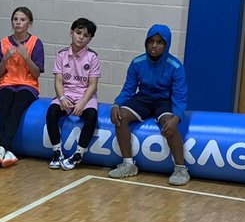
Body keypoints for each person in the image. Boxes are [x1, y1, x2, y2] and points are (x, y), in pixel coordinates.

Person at [109, 24, 190, 185]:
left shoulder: (175, 67)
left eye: (160, 42)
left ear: (166, 45)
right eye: (151, 41)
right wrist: (116, 104)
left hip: (164, 100)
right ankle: (128, 164)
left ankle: (181, 169)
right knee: (121, 116)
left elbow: (180, 98)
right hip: (144, 98)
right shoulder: (137, 63)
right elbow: (128, 89)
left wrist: (176, 118)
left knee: (169, 123)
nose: (154, 46)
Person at [0, 6, 45, 167]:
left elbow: (36, 73)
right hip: (7, 83)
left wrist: (26, 58)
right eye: (15, 19)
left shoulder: (36, 43)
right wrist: (6, 58)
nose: (18, 23)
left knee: (16, 110)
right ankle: (4, 151)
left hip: (27, 85)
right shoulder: (4, 43)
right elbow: (0, 73)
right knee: (4, 107)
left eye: (22, 20)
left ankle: (0, 147)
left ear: (29, 23)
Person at [47, 18, 100, 170]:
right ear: (71, 32)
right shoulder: (61, 55)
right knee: (51, 112)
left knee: (91, 116)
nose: (81, 37)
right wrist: (62, 98)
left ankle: (78, 154)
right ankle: (57, 152)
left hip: (85, 96)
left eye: (85, 35)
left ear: (90, 39)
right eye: (78, 33)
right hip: (67, 94)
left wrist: (83, 102)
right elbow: (58, 81)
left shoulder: (93, 57)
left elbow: (92, 85)